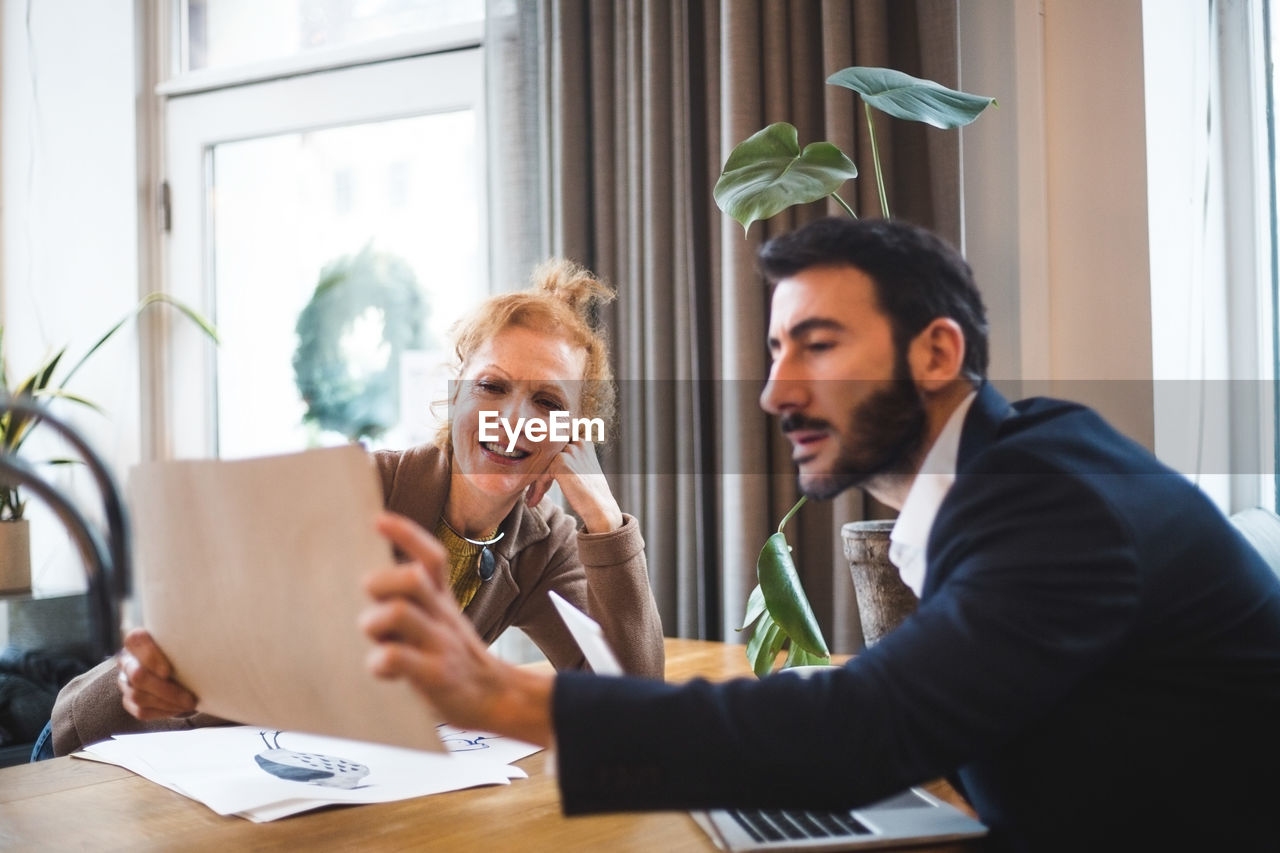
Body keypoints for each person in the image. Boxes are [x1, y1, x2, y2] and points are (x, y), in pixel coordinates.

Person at [359, 218, 1280, 851]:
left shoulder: (1050, 500)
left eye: (819, 343)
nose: (776, 391)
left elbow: (869, 728)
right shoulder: (1001, 484)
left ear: (937, 353)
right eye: (775, 351)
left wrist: (501, 696)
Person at [48, 258, 664, 757]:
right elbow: (188, 643)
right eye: (492, 386)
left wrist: (604, 521)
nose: (511, 420)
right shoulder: (357, 486)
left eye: (549, 403)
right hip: (119, 745)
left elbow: (632, 703)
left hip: (279, 784)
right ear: (454, 395)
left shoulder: (541, 544)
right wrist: (155, 668)